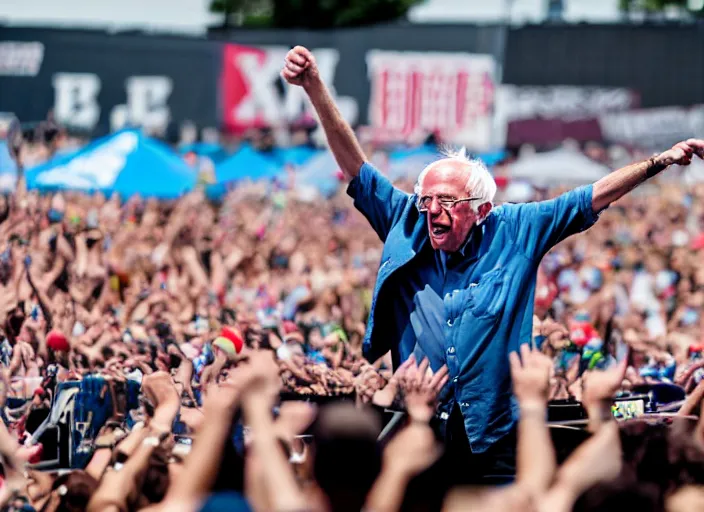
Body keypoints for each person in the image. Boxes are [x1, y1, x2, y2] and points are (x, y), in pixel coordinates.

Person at [281, 44, 704, 484]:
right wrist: (313, 86)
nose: (431, 212)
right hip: (422, 426)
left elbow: (592, 195)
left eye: (446, 202)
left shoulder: (517, 229)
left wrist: (659, 162)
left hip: (497, 434)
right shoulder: (406, 221)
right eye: (426, 200)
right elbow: (355, 165)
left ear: (481, 210)